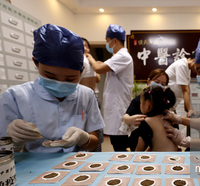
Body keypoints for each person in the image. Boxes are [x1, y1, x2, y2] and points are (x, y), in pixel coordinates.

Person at [0, 24, 104, 153]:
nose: (60, 83)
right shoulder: (13, 97)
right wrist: (13, 143)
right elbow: (4, 154)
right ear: (36, 63)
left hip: (75, 165)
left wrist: (84, 139)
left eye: (70, 79)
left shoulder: (86, 94)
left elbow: (94, 142)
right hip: (33, 169)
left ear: (81, 71)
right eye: (50, 76)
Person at [87, 24, 133, 151]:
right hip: (115, 105)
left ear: (115, 41)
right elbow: (104, 66)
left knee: (119, 143)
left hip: (118, 106)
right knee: (117, 141)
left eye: (107, 41)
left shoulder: (122, 56)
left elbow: (98, 69)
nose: (107, 44)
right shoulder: (118, 56)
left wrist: (89, 57)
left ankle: (124, 166)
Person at [122, 68, 169, 151]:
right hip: (138, 142)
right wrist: (128, 119)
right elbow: (126, 116)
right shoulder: (140, 99)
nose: (159, 85)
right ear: (149, 81)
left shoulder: (165, 103)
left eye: (163, 84)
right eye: (157, 82)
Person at [134, 86, 178, 151]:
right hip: (175, 158)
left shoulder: (146, 121)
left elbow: (139, 150)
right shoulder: (171, 118)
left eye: (140, 102)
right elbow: (158, 142)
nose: (140, 104)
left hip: (160, 159)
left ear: (147, 104)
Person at [165, 51, 196, 117]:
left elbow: (187, 90)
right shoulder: (182, 65)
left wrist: (188, 109)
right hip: (165, 105)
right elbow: (185, 89)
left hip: (171, 106)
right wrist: (190, 109)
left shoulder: (187, 69)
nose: (198, 69)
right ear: (194, 60)